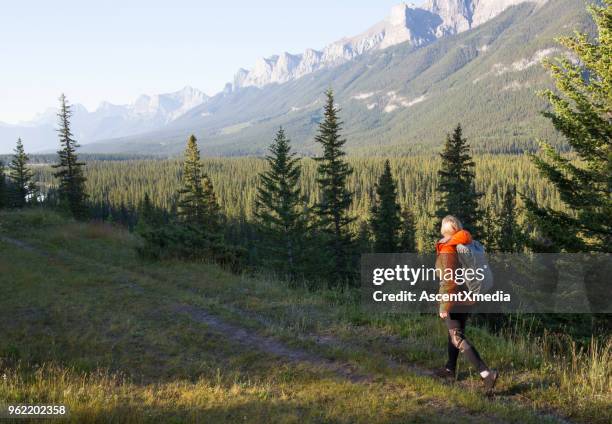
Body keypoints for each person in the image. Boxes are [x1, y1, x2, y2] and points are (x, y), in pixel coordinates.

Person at [434, 215, 498, 391]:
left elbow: (448, 281)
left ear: (444, 230)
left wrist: (443, 306)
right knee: (455, 332)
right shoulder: (467, 243)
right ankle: (450, 368)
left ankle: (486, 373)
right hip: (468, 294)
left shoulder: (448, 247)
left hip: (454, 296)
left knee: (457, 336)